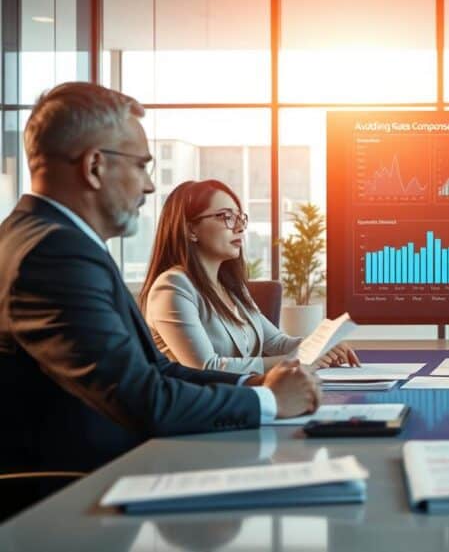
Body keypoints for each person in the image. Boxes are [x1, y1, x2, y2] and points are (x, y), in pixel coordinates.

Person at [0, 82, 321, 479]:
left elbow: (153, 372)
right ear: (94, 166)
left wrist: (251, 381)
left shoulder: (43, 239)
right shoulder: (55, 254)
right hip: (84, 492)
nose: (150, 185)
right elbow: (145, 400)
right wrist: (268, 401)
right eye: (140, 165)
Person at [140, 179, 359, 374]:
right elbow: (205, 367)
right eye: (226, 217)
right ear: (190, 230)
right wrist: (296, 361)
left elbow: (277, 342)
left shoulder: (231, 288)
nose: (239, 227)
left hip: (242, 399)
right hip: (202, 412)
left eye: (240, 218)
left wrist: (321, 346)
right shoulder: (172, 287)